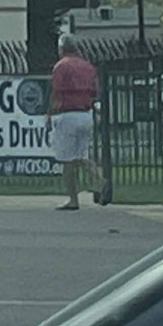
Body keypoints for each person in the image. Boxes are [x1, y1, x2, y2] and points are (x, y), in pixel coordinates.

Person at [47, 34, 101, 211]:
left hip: (67, 115)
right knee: (81, 156)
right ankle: (101, 180)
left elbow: (56, 92)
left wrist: (49, 114)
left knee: (67, 161)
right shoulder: (88, 66)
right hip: (86, 114)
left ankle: (73, 199)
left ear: (61, 48)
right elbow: (96, 91)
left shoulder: (61, 67)